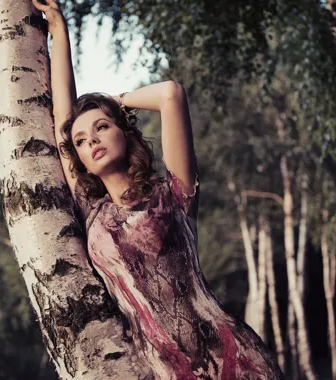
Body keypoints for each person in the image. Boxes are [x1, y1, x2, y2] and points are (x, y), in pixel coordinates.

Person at [32, 1, 283, 379]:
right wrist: (60, 34)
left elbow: (170, 95)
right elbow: (64, 124)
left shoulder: (174, 195)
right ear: (78, 157)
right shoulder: (92, 210)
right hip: (166, 371)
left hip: (235, 360)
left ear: (124, 131)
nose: (92, 140)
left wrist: (113, 103)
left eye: (102, 127)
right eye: (82, 141)